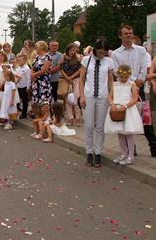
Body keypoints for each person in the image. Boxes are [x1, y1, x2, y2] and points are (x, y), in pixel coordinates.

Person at [111, 25, 156, 159]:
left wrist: (140, 80)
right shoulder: (116, 53)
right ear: (120, 36)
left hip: (139, 88)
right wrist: (133, 82)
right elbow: (117, 71)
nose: (129, 35)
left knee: (146, 119)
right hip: (125, 90)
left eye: (130, 33)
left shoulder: (141, 50)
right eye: (126, 33)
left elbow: (144, 66)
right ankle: (131, 148)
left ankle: (155, 148)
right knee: (126, 119)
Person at [79, 38, 114, 167]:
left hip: (103, 96)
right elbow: (81, 79)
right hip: (88, 96)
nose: (102, 54)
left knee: (100, 126)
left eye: (104, 52)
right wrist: (81, 96)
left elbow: (110, 80)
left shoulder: (109, 61)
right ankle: (89, 152)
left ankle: (98, 153)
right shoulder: (86, 60)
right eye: (100, 52)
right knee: (88, 125)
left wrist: (111, 96)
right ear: (95, 49)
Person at [104, 65, 144, 166]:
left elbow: (135, 98)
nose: (123, 79)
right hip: (116, 108)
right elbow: (110, 96)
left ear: (129, 76)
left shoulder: (132, 84)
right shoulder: (114, 84)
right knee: (120, 133)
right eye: (121, 77)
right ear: (118, 75)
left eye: (125, 77)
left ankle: (131, 156)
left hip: (128, 109)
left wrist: (126, 106)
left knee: (128, 134)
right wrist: (112, 104)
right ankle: (123, 154)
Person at [60, 43, 82, 126]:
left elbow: (80, 70)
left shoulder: (78, 58)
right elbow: (61, 69)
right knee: (68, 100)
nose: (72, 52)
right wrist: (67, 78)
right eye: (71, 50)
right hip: (66, 81)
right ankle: (70, 118)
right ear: (67, 50)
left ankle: (77, 118)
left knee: (75, 100)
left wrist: (72, 77)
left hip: (76, 80)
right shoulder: (63, 58)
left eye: (74, 50)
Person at [30, 41, 53, 113]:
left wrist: (34, 75)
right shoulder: (37, 57)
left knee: (44, 99)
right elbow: (32, 67)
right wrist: (32, 74)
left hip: (44, 82)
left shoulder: (47, 57)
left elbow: (44, 70)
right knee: (36, 98)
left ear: (42, 47)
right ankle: (38, 115)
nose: (35, 48)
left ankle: (46, 115)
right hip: (36, 81)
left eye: (37, 47)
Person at [15, 54, 31, 119]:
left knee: (24, 101)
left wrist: (28, 87)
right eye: (18, 60)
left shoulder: (27, 68)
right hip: (18, 86)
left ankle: (24, 114)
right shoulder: (18, 67)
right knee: (17, 100)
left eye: (20, 60)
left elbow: (28, 78)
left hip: (24, 86)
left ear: (24, 60)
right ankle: (17, 111)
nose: (19, 61)